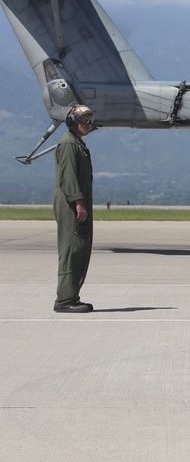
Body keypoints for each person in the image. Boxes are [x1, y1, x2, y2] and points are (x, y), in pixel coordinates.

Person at [53, 104, 97, 313]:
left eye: (90, 121)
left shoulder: (77, 143)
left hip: (78, 201)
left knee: (79, 248)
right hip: (72, 203)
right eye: (85, 121)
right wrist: (78, 202)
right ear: (73, 122)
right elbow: (68, 177)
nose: (89, 125)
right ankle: (65, 300)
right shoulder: (69, 144)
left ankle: (72, 296)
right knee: (71, 249)